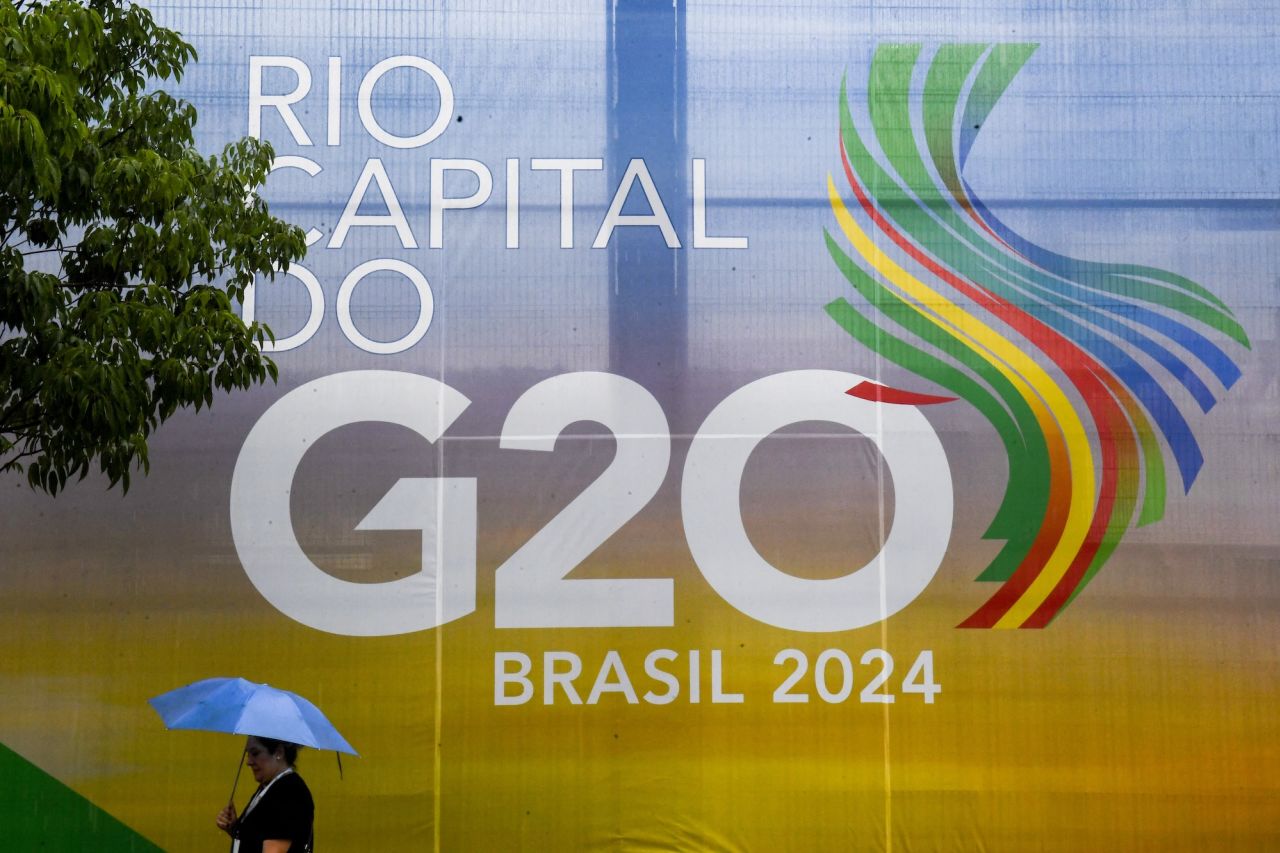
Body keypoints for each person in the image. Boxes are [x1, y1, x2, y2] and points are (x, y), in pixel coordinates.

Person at [216, 736, 314, 853]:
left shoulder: (289, 792)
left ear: (279, 752)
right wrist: (234, 828)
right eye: (248, 754)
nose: (249, 762)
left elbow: (275, 849)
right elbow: (258, 839)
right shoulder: (270, 787)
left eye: (255, 753)